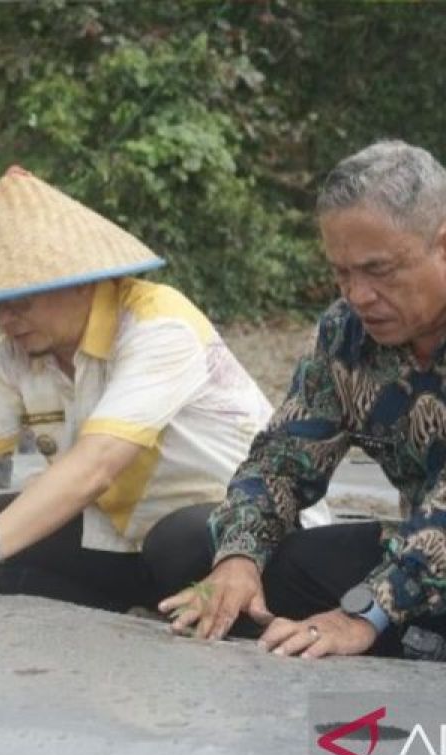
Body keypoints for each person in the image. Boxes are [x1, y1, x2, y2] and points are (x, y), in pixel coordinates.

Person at [0, 165, 330, 609]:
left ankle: (192, 615)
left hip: (247, 535)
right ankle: (136, 617)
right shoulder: (17, 351)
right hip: (133, 538)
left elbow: (96, 466)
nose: (6, 318)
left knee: (182, 542)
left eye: (21, 301)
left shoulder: (157, 324)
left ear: (83, 280)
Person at [162, 140, 446, 659]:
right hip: (419, 566)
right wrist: (240, 558)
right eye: (342, 272)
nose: (358, 295)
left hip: (423, 567)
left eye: (378, 270)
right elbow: (283, 458)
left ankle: (392, 636)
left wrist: (364, 612)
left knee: (372, 611)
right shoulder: (347, 332)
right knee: (185, 549)